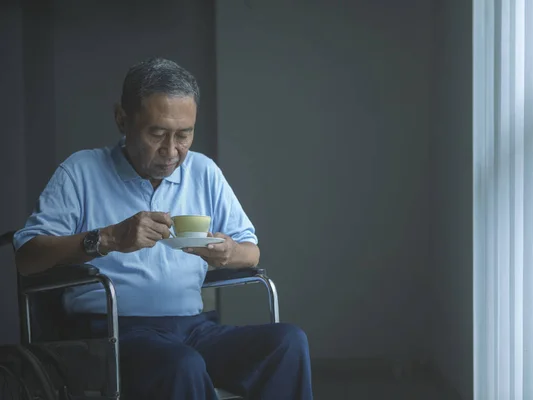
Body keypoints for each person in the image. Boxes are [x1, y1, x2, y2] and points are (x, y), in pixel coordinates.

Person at [13, 57, 313, 400]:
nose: (172, 152)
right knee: (180, 364)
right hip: (109, 332)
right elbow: (27, 257)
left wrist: (228, 253)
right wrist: (109, 238)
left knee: (287, 343)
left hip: (192, 328)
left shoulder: (203, 172)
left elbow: (251, 250)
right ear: (122, 119)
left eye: (184, 135)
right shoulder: (81, 171)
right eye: (157, 133)